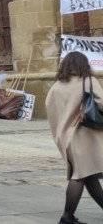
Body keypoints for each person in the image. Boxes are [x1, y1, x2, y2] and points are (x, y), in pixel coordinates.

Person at [46, 52, 103, 224]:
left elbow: (50, 109)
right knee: (79, 176)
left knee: (88, 175)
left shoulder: (56, 86)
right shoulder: (88, 81)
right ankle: (67, 216)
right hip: (83, 136)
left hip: (65, 137)